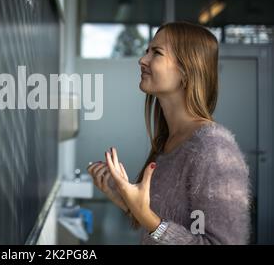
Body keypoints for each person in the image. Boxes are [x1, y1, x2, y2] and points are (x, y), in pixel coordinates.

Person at [88, 22, 251, 244]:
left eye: (156, 52)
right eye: (147, 51)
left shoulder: (214, 148)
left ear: (186, 70)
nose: (142, 60)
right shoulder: (168, 141)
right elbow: (169, 221)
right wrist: (126, 201)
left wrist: (145, 215)